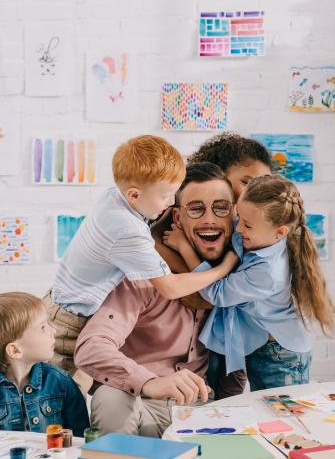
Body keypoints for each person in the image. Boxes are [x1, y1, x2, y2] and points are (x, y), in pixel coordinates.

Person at [46, 135, 237, 393]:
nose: (170, 204)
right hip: (69, 322)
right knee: (62, 400)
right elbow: (170, 287)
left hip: (62, 303)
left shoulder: (115, 196)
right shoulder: (127, 230)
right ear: (134, 194)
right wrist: (221, 270)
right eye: (167, 196)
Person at [74, 163, 236, 437]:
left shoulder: (239, 280)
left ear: (234, 215)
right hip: (144, 404)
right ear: (177, 218)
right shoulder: (143, 277)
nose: (210, 219)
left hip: (204, 410)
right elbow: (91, 347)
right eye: (196, 209)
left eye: (220, 208)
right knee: (110, 397)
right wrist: (150, 381)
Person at [164, 174, 335, 390]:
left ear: (280, 232)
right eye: (239, 216)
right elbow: (236, 235)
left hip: (281, 356)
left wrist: (184, 247)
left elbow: (217, 293)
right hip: (260, 346)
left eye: (246, 225)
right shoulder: (261, 235)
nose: (238, 229)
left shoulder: (268, 272)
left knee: (280, 416)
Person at [152, 132, 274, 398]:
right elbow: (196, 296)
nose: (257, 190)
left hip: (233, 337)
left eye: (264, 182)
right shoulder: (170, 217)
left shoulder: (248, 227)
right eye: (247, 182)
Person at [0, 292, 89, 436]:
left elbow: (80, 438)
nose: (53, 331)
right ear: (15, 350)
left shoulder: (62, 383)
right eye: (43, 327)